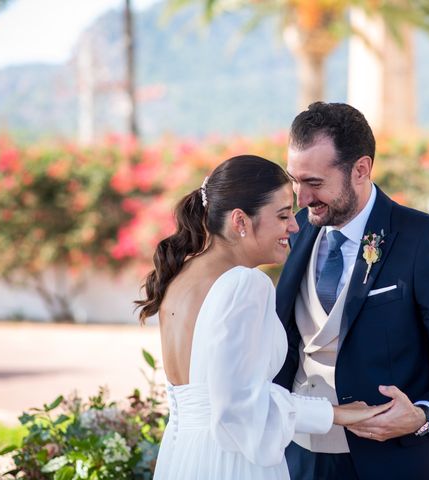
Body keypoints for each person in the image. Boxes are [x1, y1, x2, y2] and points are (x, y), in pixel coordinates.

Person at [135, 155, 392, 480]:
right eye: (283, 215)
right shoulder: (245, 283)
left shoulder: (179, 276)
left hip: (183, 457)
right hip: (230, 463)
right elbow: (240, 406)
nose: (295, 225)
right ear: (240, 221)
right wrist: (336, 414)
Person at [273, 102, 429, 480]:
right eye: (296, 180)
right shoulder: (298, 234)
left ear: (361, 169)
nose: (301, 198)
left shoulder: (424, 239)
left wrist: (423, 415)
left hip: (394, 462)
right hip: (301, 456)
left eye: (315, 183)